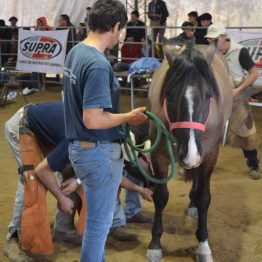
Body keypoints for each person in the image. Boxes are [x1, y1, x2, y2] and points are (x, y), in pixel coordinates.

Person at [63, 0, 148, 261]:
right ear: (117, 26)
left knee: (96, 225)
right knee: (98, 227)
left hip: (81, 149)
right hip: (98, 152)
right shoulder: (98, 64)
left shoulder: (76, 52)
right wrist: (129, 117)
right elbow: (93, 119)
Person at [3, 103, 82, 261]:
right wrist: (61, 197)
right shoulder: (73, 137)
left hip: (42, 129)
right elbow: (41, 170)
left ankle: (62, 228)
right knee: (30, 181)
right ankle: (13, 239)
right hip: (20, 126)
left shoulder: (88, 132)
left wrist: (77, 180)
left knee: (70, 169)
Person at [205, 23, 261, 179]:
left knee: (246, 130)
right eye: (210, 39)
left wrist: (239, 90)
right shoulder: (210, 52)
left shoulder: (239, 51)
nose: (212, 42)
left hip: (236, 95)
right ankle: (198, 164)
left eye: (215, 38)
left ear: (224, 37)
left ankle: (253, 165)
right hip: (215, 97)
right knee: (206, 129)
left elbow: (254, 74)